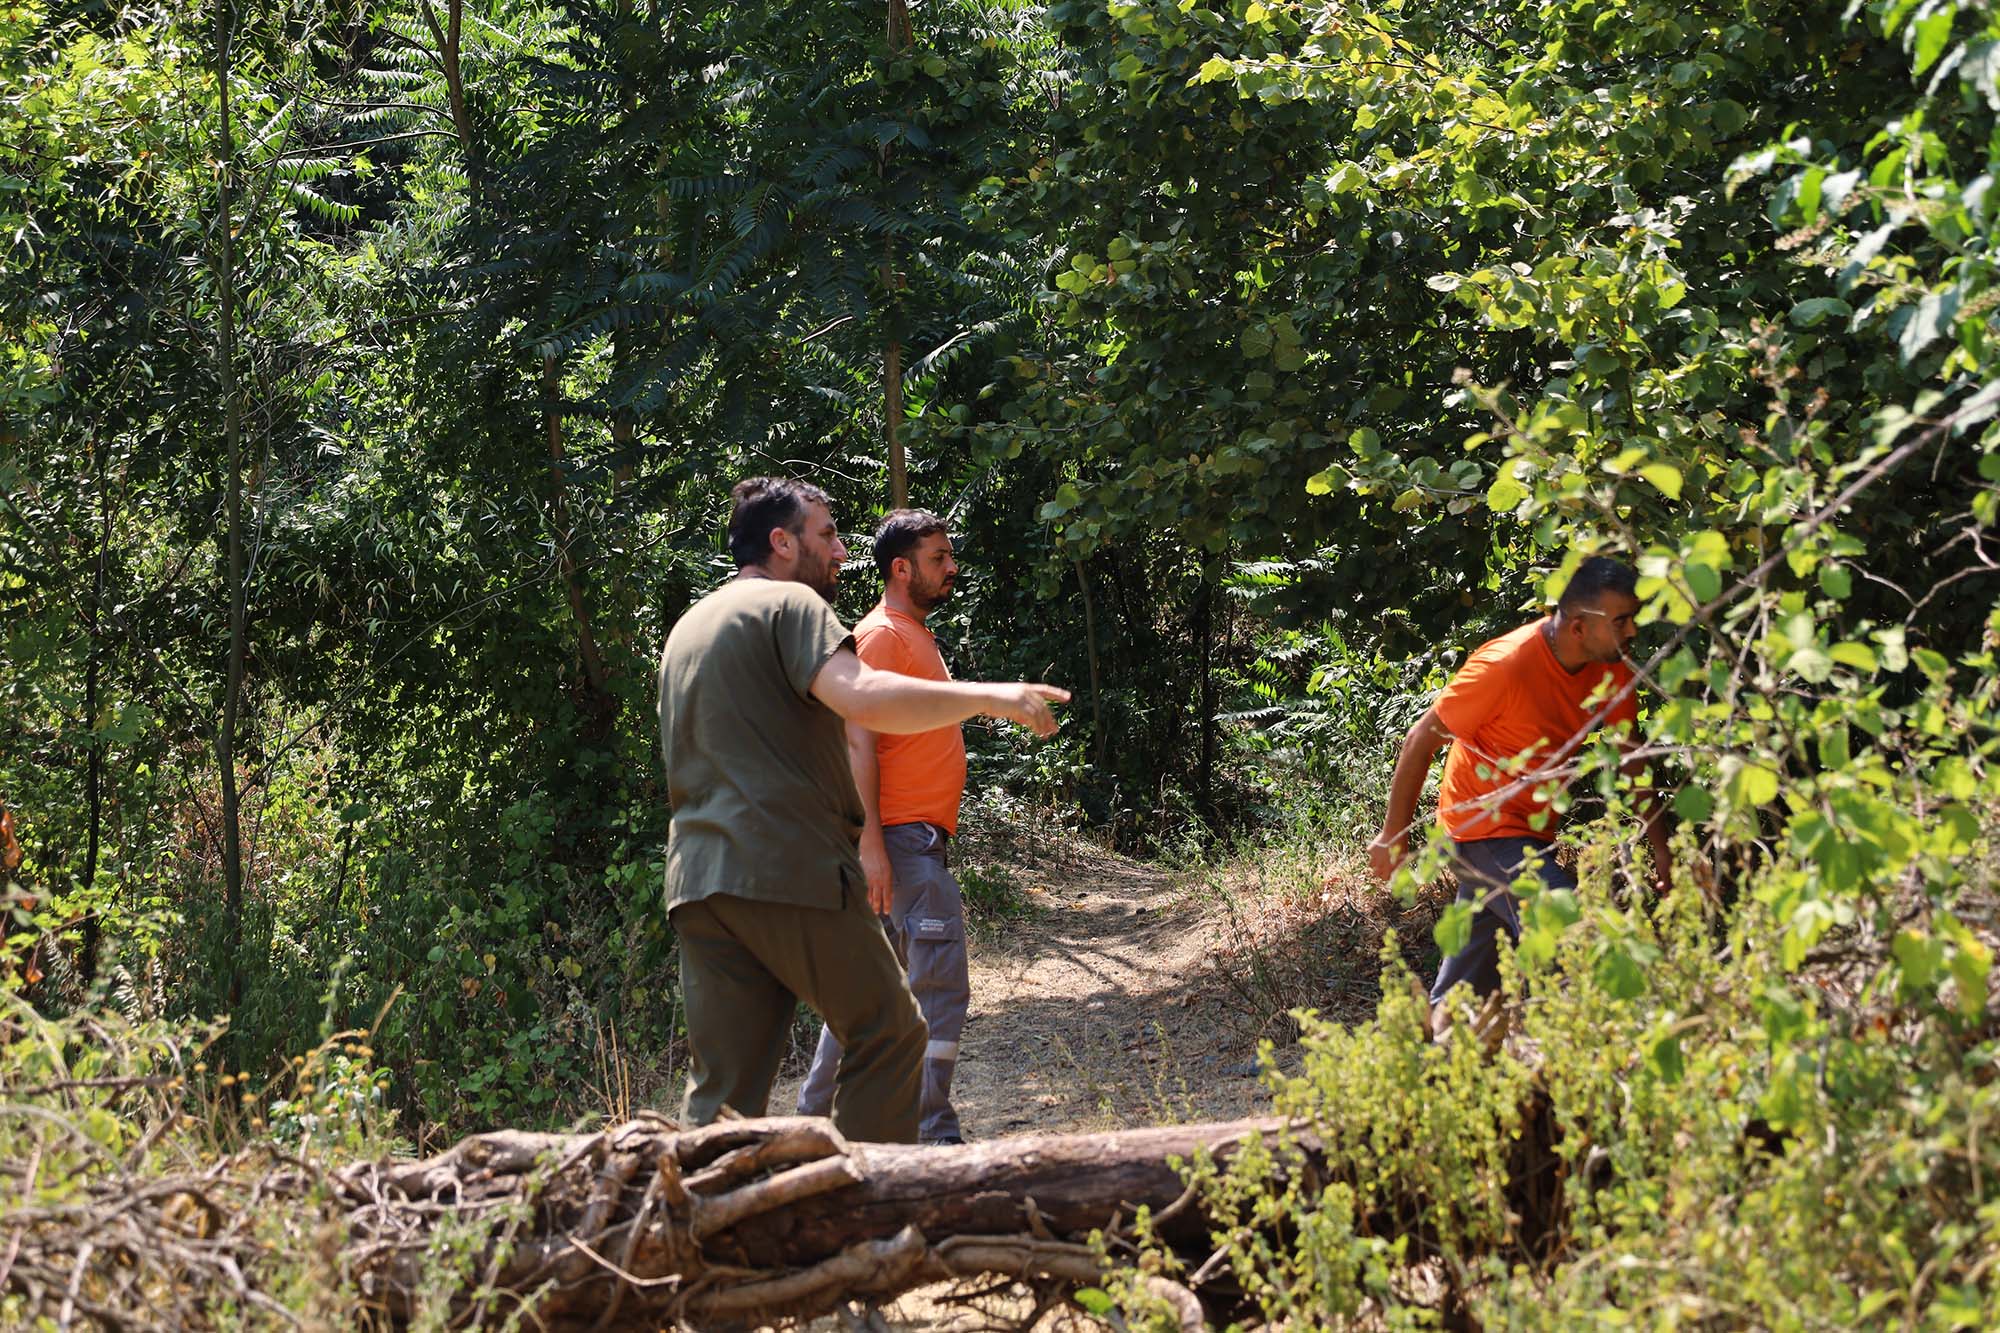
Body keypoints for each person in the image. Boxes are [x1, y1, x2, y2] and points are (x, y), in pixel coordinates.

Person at [657, 478, 1066, 1144]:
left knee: (724, 1096)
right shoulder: (789, 603)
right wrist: (994, 695)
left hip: (699, 882)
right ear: (780, 542)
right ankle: (864, 1213)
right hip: (788, 866)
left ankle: (701, 1235)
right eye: (826, 534)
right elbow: (865, 699)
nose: (843, 549)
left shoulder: (689, 628)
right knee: (891, 1030)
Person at [1367, 556, 1672, 1005]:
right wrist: (1393, 834)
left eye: (1633, 619)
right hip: (1479, 825)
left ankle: (1437, 1062)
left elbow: (1632, 760)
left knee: (1465, 996)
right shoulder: (1505, 666)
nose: (1632, 632)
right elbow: (1420, 740)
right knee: (1574, 930)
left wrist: (1662, 849)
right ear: (1578, 627)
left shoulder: (1612, 670)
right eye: (1621, 621)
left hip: (1532, 832)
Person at [795, 509, 973, 1145]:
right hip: (902, 844)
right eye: (937, 558)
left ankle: (809, 1132)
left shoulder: (911, 633)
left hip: (910, 843)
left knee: (864, 1001)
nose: (951, 567)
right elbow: (856, 741)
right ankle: (930, 1134)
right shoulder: (880, 637)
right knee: (939, 992)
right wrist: (871, 845)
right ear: (901, 569)